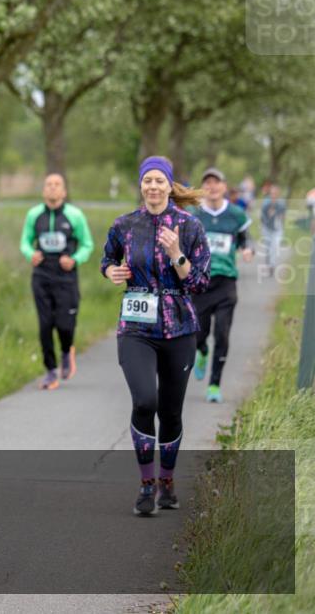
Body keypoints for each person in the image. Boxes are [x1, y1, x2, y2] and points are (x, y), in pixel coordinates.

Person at [101, 156, 210, 517]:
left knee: (171, 412)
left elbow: (199, 282)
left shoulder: (189, 226)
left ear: (169, 185)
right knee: (145, 401)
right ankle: (146, 485)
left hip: (179, 327)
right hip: (136, 329)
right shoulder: (124, 225)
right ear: (141, 185)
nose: (152, 187)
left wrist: (177, 254)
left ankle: (167, 481)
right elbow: (107, 261)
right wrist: (112, 272)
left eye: (159, 181)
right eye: (147, 180)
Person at [19, 173, 94, 389]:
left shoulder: (74, 215)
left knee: (65, 324)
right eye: (48, 185)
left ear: (64, 191)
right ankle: (51, 371)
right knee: (45, 325)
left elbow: (87, 244)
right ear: (43, 191)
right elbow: (25, 241)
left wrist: (75, 259)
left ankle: (66, 351)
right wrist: (29, 254)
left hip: (66, 277)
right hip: (42, 275)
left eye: (57, 185)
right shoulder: (34, 215)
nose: (52, 188)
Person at [190, 168, 254, 403]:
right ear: (202, 188)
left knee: (222, 334)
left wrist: (247, 249)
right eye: (207, 182)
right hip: (200, 283)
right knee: (198, 334)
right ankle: (202, 351)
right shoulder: (194, 214)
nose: (212, 187)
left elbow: (246, 238)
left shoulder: (236, 214)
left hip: (226, 283)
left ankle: (214, 384)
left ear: (224, 187)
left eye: (216, 182)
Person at [260, 183, 287, 273]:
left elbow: (283, 215)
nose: (274, 195)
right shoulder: (266, 203)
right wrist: (269, 216)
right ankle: (269, 261)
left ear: (278, 194)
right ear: (270, 194)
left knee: (275, 246)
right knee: (268, 246)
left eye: (275, 193)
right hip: (267, 227)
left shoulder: (281, 203)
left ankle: (272, 265)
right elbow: (262, 217)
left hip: (277, 228)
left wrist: (281, 221)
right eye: (272, 193)